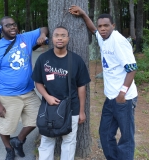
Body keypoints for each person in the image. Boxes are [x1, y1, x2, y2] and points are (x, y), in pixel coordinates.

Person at [69, 5, 138, 160]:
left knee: (126, 138)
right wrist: (84, 14)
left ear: (113, 26)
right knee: (105, 133)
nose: (102, 29)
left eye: (106, 25)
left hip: (124, 99)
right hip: (110, 98)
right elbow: (93, 30)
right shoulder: (102, 36)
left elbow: (132, 68)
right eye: (101, 26)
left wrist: (122, 93)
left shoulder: (118, 41)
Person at [0, 16, 48, 160]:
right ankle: (9, 149)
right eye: (8, 26)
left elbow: (44, 29)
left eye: (14, 24)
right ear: (1, 30)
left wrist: (43, 35)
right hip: (7, 95)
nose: (12, 27)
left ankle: (18, 140)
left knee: (40, 118)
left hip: (28, 92)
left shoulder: (24, 38)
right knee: (5, 126)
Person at [32, 26, 90, 160]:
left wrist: (81, 111)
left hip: (72, 108)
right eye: (57, 35)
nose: (60, 38)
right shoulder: (43, 58)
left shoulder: (76, 60)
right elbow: (38, 82)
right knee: (47, 140)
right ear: (52, 38)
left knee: (69, 142)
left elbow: (82, 87)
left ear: (68, 38)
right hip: (49, 107)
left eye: (63, 35)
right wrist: (47, 97)